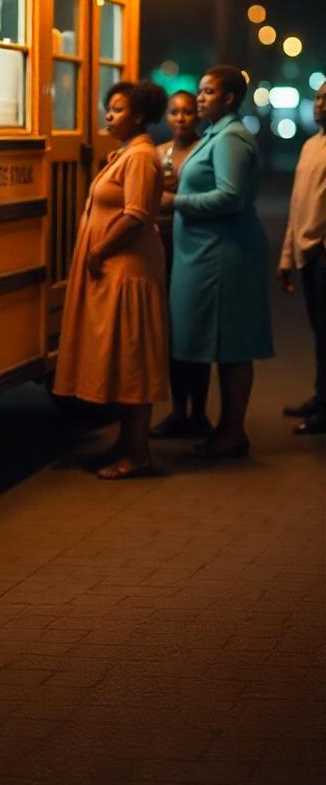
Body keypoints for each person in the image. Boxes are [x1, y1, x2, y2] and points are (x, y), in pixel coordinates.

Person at [54, 79, 169, 479]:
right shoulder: (126, 154)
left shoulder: (140, 157)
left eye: (117, 109)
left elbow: (136, 215)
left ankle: (138, 453)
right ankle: (126, 443)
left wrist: (99, 249)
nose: (108, 115)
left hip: (128, 271)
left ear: (138, 116)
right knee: (121, 358)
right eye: (110, 107)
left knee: (132, 359)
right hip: (116, 272)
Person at [162, 65, 273, 459]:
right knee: (218, 343)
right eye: (200, 90)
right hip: (206, 253)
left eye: (208, 92)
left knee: (233, 346)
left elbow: (230, 197)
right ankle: (224, 428)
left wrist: (175, 202)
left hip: (224, 257)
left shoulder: (232, 139)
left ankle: (233, 431)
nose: (200, 97)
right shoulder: (214, 135)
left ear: (228, 98)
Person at [150, 90, 212, 440]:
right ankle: (178, 411)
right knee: (171, 334)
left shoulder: (204, 151)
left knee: (194, 332)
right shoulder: (158, 154)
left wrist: (177, 198)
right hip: (163, 243)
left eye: (188, 111)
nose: (181, 118)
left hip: (194, 244)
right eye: (174, 112)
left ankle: (200, 412)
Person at [277, 78, 326, 435]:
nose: (319, 103)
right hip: (308, 253)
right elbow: (297, 204)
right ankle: (320, 396)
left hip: (321, 251)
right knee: (318, 329)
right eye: (319, 97)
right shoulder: (311, 145)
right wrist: (287, 256)